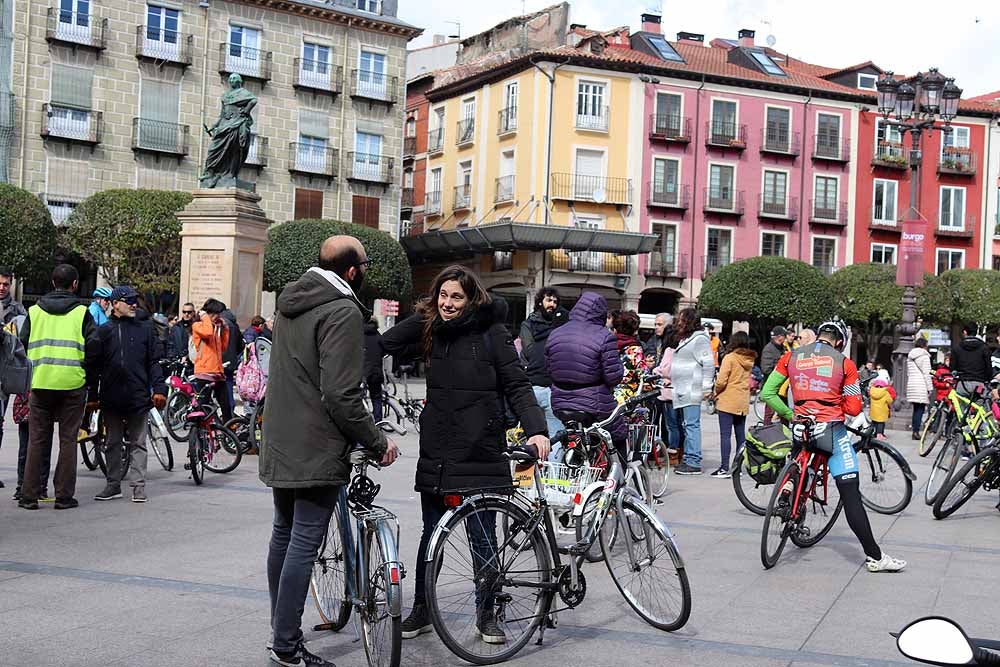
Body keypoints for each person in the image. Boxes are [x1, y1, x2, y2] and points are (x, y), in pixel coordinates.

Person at [382, 265, 548, 645]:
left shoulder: (493, 333)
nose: (447, 303)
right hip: (439, 449)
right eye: (443, 295)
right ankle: (422, 609)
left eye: (456, 297)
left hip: (481, 448)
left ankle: (486, 614)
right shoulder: (429, 327)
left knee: (482, 537)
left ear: (471, 299)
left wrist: (537, 429)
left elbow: (518, 384)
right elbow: (385, 343)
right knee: (431, 535)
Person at [260, 235, 398, 667]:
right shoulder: (341, 310)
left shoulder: (291, 301)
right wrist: (377, 442)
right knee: (303, 540)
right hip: (315, 442)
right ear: (353, 271)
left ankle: (281, 629)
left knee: (284, 533)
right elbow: (341, 394)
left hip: (281, 435)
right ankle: (286, 645)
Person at [761, 321, 906, 572]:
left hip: (800, 428)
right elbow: (852, 408)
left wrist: (790, 413)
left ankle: (789, 488)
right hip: (831, 432)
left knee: (798, 461)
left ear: (818, 336)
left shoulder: (791, 357)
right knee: (851, 495)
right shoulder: (844, 363)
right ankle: (875, 557)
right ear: (840, 342)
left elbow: (767, 392)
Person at [18, 264, 100, 510]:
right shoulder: (81, 313)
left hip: (40, 382)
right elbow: (94, 348)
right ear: (75, 284)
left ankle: (29, 495)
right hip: (73, 383)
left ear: (53, 282)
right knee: (67, 441)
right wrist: (86, 373)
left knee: (37, 440)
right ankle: (64, 496)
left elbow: (21, 347)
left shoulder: (34, 312)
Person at [93, 286, 167, 504]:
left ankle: (138, 486)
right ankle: (113, 484)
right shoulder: (104, 331)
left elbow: (154, 363)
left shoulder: (145, 330)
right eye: (128, 301)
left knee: (138, 443)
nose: (133, 304)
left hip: (138, 396)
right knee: (112, 442)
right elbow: (95, 365)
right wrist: (92, 394)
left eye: (135, 300)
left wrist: (160, 389)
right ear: (115, 304)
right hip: (111, 396)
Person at [546, 292, 626, 454]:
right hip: (593, 401)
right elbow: (613, 377)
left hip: (559, 401)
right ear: (601, 313)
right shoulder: (604, 336)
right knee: (619, 433)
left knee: (570, 436)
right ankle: (620, 476)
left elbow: (549, 369)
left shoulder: (555, 333)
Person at [519, 286, 569, 440]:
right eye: (548, 300)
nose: (552, 304)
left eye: (555, 301)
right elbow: (528, 350)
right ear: (540, 302)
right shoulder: (529, 324)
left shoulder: (559, 324)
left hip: (552, 384)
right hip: (534, 381)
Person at [670, 308, 715, 475]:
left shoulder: (700, 339)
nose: (678, 321)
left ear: (688, 320)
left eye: (681, 318)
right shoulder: (686, 338)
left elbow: (708, 364)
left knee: (691, 425)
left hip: (691, 388)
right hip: (683, 388)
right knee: (687, 424)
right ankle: (689, 457)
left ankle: (693, 461)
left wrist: (706, 387)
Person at [711, 331, 756, 478]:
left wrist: (715, 391)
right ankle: (738, 468)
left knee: (725, 435)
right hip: (742, 400)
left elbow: (722, 381)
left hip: (727, 400)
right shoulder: (749, 359)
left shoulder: (730, 358)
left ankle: (724, 468)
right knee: (740, 436)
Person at [1, 267, 27, 488]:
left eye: (5, 284)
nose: (2, 287)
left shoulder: (18, 309)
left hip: (6, 373)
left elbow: (23, 340)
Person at [190, 298, 232, 422]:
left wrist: (225, 330)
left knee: (226, 406)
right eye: (214, 314)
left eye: (218, 314)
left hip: (218, 372)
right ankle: (201, 434)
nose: (216, 317)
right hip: (204, 372)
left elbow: (223, 347)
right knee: (203, 406)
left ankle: (229, 431)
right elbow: (207, 333)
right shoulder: (198, 325)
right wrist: (204, 317)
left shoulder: (215, 328)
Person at [611, 310, 650, 404]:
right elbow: (643, 374)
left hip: (607, 395)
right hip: (627, 397)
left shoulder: (608, 345)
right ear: (634, 330)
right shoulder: (634, 350)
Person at [950, 321, 992, 389]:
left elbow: (952, 368)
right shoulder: (984, 348)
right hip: (979, 384)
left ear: (965, 332)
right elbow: (989, 368)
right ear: (976, 332)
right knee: (979, 399)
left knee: (958, 398)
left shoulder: (957, 348)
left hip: (962, 383)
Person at [906, 338, 934, 440]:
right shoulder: (924, 356)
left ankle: (914, 430)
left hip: (912, 384)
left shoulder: (910, 356)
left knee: (916, 409)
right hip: (921, 385)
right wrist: (930, 388)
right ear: (924, 345)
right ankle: (916, 432)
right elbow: (927, 373)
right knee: (920, 410)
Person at [760, 326, 789, 424]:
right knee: (769, 413)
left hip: (783, 387)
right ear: (778, 337)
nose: (785, 339)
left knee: (784, 413)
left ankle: (784, 432)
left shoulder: (783, 348)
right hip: (773, 388)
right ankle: (767, 432)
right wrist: (779, 367)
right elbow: (765, 369)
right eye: (784, 336)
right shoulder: (769, 349)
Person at [220, 307, 244, 417]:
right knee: (228, 387)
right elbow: (241, 345)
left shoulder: (220, 324)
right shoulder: (234, 326)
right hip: (230, 361)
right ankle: (230, 413)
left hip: (218, 361)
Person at [363, 317, 384, 420]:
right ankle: (378, 422)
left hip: (362, 373)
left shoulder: (359, 335)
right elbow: (384, 351)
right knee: (376, 398)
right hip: (376, 372)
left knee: (359, 397)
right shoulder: (379, 336)